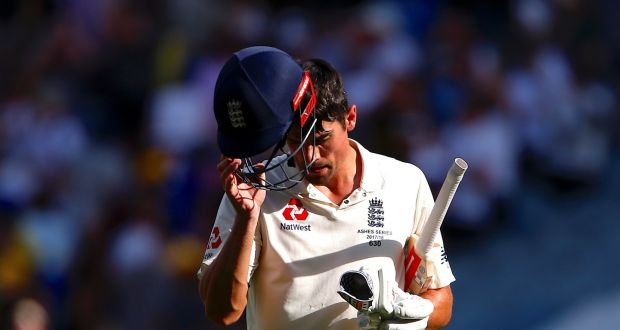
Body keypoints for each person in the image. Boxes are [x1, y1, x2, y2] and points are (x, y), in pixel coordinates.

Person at [197, 46, 454, 330]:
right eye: (296, 141)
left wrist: (411, 317)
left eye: (321, 138)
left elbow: (441, 298)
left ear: (351, 119)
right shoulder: (253, 190)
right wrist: (246, 220)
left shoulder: (406, 182)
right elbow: (222, 312)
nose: (311, 157)